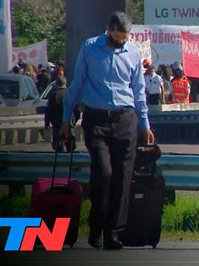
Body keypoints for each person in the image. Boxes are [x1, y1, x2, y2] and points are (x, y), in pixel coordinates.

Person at [60, 11, 154, 250]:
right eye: (117, 36)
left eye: (125, 37)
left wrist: (145, 124)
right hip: (96, 119)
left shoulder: (133, 52)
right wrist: (65, 117)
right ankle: (96, 228)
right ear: (108, 30)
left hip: (126, 119)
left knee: (123, 176)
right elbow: (77, 83)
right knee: (104, 172)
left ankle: (114, 232)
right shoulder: (90, 48)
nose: (121, 41)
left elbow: (138, 90)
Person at [44, 76, 78, 152]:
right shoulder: (70, 93)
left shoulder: (52, 96)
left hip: (56, 122)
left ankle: (59, 158)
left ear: (56, 84)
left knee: (58, 144)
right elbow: (76, 109)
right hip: (68, 122)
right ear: (65, 83)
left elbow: (48, 110)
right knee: (71, 144)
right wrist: (74, 120)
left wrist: (47, 122)